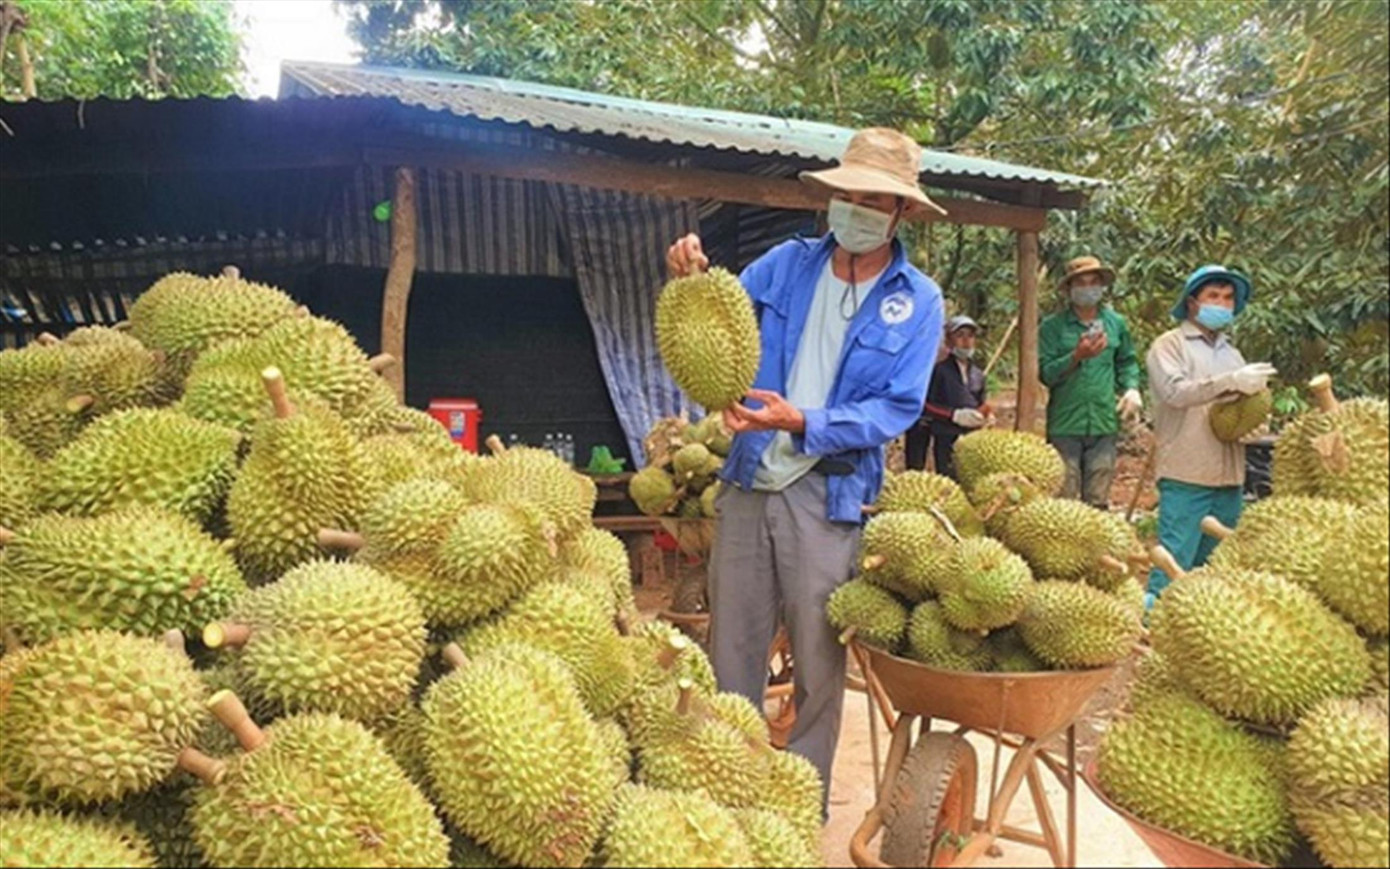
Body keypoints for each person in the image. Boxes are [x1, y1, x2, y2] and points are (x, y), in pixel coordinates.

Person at [665, 128, 944, 816]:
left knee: (820, 661)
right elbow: (716, 315)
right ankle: (729, 792)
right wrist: (688, 273)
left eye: (873, 200)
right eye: (846, 195)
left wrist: (801, 422)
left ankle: (798, 802)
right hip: (748, 476)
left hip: (828, 490)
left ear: (900, 211)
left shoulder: (917, 299)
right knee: (732, 648)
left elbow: (896, 408)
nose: (856, 209)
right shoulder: (786, 264)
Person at [1145, 265, 1276, 604]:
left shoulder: (1233, 354)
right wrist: (1232, 381)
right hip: (1187, 472)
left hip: (1229, 476)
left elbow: (1241, 411)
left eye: (1229, 298)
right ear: (1192, 302)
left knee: (1216, 563)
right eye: (1213, 296)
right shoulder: (1169, 346)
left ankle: (1201, 632)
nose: (1222, 303)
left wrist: (1256, 422)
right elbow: (1175, 393)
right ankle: (1154, 623)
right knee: (1174, 558)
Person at [1038, 256, 1143, 509]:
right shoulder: (1052, 328)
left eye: (1093, 282)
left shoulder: (1115, 324)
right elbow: (1045, 373)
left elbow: (1126, 361)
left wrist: (1131, 388)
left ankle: (1094, 547)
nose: (1088, 288)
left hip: (1103, 421)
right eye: (1081, 283)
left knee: (1098, 498)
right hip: (1065, 423)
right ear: (1070, 289)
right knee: (1064, 496)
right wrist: (1076, 356)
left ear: (1102, 286)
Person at [921, 315, 990, 479]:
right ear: (948, 341)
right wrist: (953, 415)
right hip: (946, 436)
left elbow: (982, 403)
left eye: (970, 336)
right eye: (960, 335)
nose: (966, 341)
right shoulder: (939, 371)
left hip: (972, 440)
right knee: (949, 480)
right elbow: (925, 405)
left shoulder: (978, 374)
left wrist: (986, 416)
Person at [904, 326, 952, 470]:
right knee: (916, 458)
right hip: (920, 412)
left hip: (942, 414)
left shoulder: (949, 358)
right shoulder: (916, 353)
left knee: (945, 458)